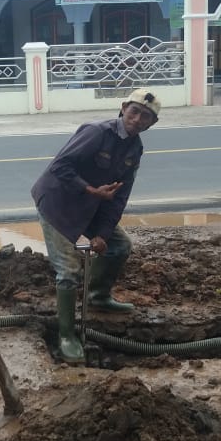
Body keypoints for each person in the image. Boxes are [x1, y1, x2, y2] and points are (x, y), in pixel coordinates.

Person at [31, 88, 162, 363]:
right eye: (134, 111)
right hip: (58, 204)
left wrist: (102, 234)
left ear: (152, 124)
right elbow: (60, 167)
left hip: (91, 206)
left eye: (146, 116)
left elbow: (119, 198)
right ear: (123, 107)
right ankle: (66, 335)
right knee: (68, 270)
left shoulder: (135, 149)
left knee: (119, 246)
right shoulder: (96, 132)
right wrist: (89, 190)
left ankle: (98, 295)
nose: (137, 119)